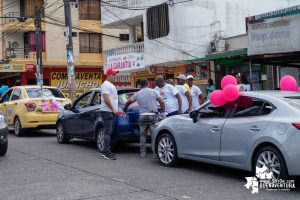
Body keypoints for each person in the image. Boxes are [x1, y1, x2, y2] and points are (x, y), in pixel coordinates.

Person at [124, 78, 165, 158]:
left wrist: (125, 107)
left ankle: (143, 153)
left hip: (142, 116)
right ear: (148, 84)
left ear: (140, 85)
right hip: (153, 115)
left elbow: (129, 102)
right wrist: (163, 111)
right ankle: (155, 154)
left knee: (143, 135)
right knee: (154, 134)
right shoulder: (154, 91)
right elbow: (162, 102)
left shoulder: (138, 94)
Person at [100, 68, 119, 160]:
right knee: (107, 132)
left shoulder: (110, 85)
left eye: (115, 75)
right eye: (113, 75)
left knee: (109, 131)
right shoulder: (106, 85)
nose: (115, 76)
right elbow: (106, 99)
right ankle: (107, 153)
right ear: (108, 75)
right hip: (107, 111)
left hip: (111, 111)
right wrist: (113, 109)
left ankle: (107, 151)